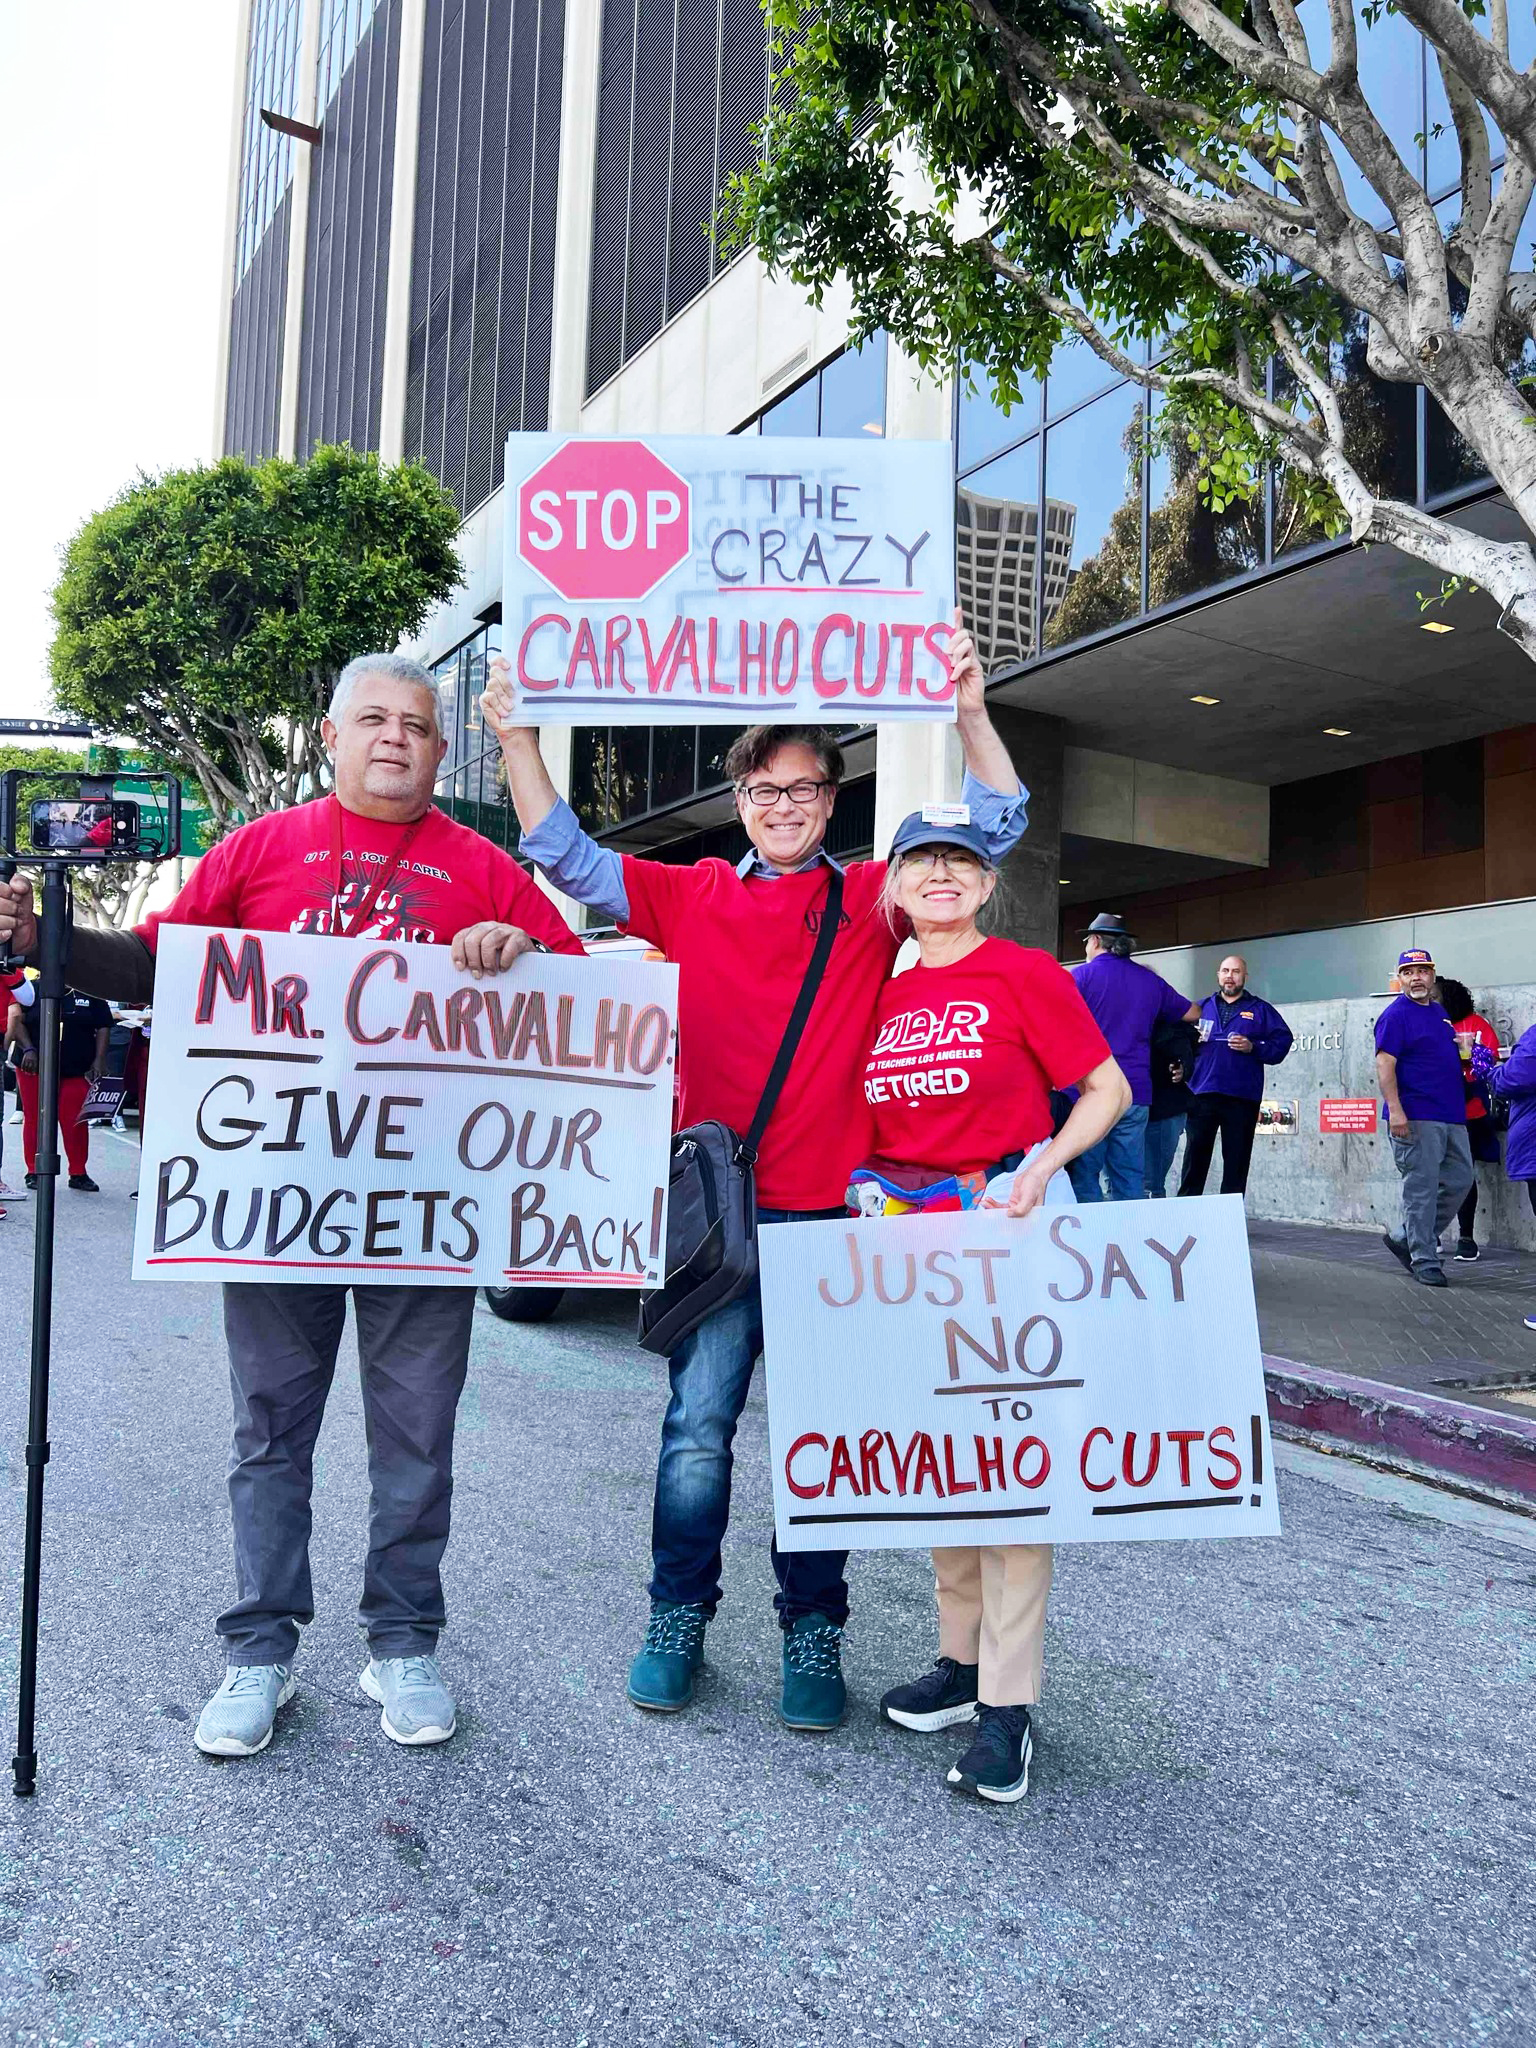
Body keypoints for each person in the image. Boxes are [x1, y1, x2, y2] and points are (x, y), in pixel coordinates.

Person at [0, 652, 582, 1761]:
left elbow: (575, 1011)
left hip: (429, 1208)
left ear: (440, 747)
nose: (397, 737)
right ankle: (259, 1648)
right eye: (374, 719)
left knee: (418, 1434)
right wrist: (51, 938)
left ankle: (403, 1641)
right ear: (330, 736)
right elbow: (157, 964)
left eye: (416, 723)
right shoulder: (262, 847)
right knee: (269, 1431)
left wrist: (524, 953)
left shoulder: (485, 865)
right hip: (273, 1199)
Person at [481, 612, 1030, 1731]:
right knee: (696, 1427)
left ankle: (811, 1627)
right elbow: (569, 857)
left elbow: (996, 829)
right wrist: (519, 741)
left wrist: (970, 710)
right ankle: (675, 1614)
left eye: (807, 789)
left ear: (834, 801)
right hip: (716, 1220)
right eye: (765, 789)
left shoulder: (874, 898)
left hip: (837, 1216)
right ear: (740, 801)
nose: (785, 806)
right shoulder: (695, 895)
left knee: (822, 1439)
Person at [852, 809, 1127, 1802]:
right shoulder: (874, 987)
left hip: (1003, 1234)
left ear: (984, 883)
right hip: (901, 1244)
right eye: (921, 858)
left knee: (1013, 1469)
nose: (940, 874)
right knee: (945, 1464)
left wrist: (1045, 1162)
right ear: (892, 884)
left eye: (960, 861)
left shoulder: (1024, 974)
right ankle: (959, 1665)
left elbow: (1107, 1088)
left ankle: (1009, 1705)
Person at [1067, 913, 1198, 1202]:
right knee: (1129, 1173)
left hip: (1091, 1091)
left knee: (1086, 1171)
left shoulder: (1081, 976)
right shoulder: (1150, 980)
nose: (1085, 947)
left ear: (1097, 941)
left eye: (1086, 941)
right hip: (1135, 1092)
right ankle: (1126, 1240)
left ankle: (1091, 1239)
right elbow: (1192, 1012)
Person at [1374, 947, 1474, 1288]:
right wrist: (1397, 1110)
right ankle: (1424, 1258)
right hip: (1415, 1115)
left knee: (1461, 1179)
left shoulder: (1440, 1014)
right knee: (1421, 1190)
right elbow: (1385, 1063)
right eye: (1408, 971)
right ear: (1399, 978)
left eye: (1422, 970)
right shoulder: (1395, 1015)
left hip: (1451, 1114)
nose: (1416, 977)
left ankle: (1407, 1236)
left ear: (1432, 976)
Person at [1177, 955, 1294, 1199]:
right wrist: (1189, 1044)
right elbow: (1176, 1041)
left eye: (1236, 971)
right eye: (1225, 971)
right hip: (1201, 1094)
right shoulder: (1200, 1007)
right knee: (1194, 1160)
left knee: (1236, 1163)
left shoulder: (1260, 1009)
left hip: (1241, 1097)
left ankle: (1229, 1224)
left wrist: (1254, 1046)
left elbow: (1283, 1041)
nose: (1230, 976)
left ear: (1245, 977)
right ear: (1218, 976)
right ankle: (1185, 1217)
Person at [8, 982, 110, 1193]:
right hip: (34, 1066)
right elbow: (15, 1019)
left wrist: (99, 1059)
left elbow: (103, 1025)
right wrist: (28, 1048)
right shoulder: (30, 991)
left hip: (76, 1067)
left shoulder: (91, 990)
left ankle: (78, 1173)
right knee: (36, 1118)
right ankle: (34, 1170)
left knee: (75, 1120)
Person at [1434, 976, 1500, 1262]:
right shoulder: (1429, 1023)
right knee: (1430, 1174)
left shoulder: (1475, 1025)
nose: (1432, 1002)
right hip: (1433, 1110)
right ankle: (1430, 1234)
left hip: (1468, 1113)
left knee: (1464, 1173)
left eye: (1437, 997)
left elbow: (1489, 1065)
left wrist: (1468, 1061)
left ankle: (1466, 1237)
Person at [1144, 1011, 1198, 1197]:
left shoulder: (1166, 1018)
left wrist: (1182, 1065)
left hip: (1161, 1107)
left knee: (1151, 1183)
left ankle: (1151, 1224)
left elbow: (1184, 1045)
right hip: (1120, 1107)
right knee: (1120, 1182)